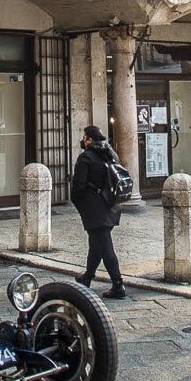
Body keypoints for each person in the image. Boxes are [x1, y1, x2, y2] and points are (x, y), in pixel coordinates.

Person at [71, 126, 127, 298]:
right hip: (111, 205)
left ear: (89, 139)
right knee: (96, 244)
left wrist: (79, 203)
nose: (82, 140)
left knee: (105, 247)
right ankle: (87, 277)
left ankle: (118, 285)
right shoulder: (111, 154)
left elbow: (78, 185)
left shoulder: (85, 157)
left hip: (94, 208)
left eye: (84, 137)